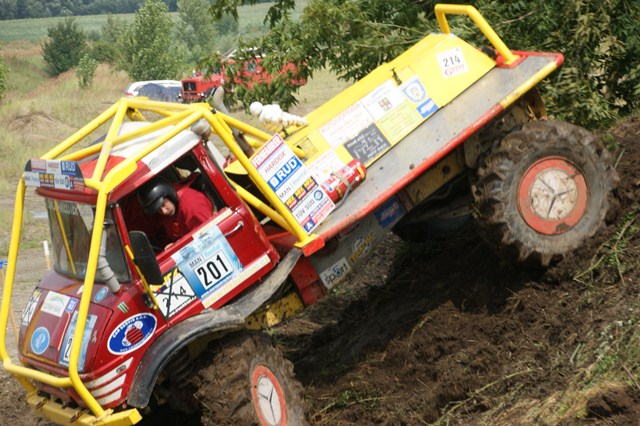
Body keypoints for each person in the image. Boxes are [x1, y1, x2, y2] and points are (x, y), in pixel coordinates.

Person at [138, 177, 214, 247]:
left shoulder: (191, 206)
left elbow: (209, 236)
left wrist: (178, 245)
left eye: (163, 205)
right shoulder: (168, 212)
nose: (164, 211)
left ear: (169, 195)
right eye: (158, 210)